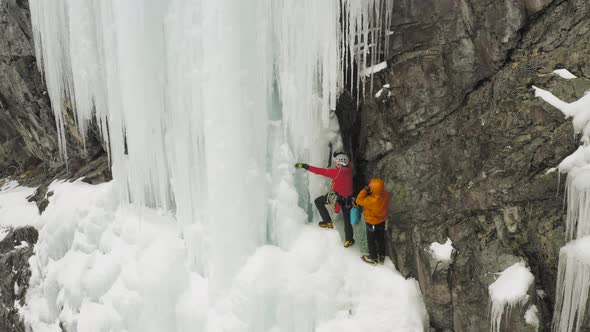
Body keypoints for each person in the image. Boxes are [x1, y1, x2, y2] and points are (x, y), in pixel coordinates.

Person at [295, 152, 355, 248]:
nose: (335, 164)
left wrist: (307, 166)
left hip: (337, 198)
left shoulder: (337, 172)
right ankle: (349, 240)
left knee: (318, 201)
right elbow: (349, 162)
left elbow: (321, 171)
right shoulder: (349, 169)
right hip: (348, 200)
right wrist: (339, 155)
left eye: (336, 162)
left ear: (340, 163)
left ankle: (328, 222)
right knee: (347, 220)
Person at [355, 178, 390, 265]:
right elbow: (381, 191)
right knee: (381, 239)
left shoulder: (370, 200)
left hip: (372, 223)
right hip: (382, 221)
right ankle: (382, 256)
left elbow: (358, 200)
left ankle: (373, 258)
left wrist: (364, 190)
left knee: (371, 241)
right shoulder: (385, 195)